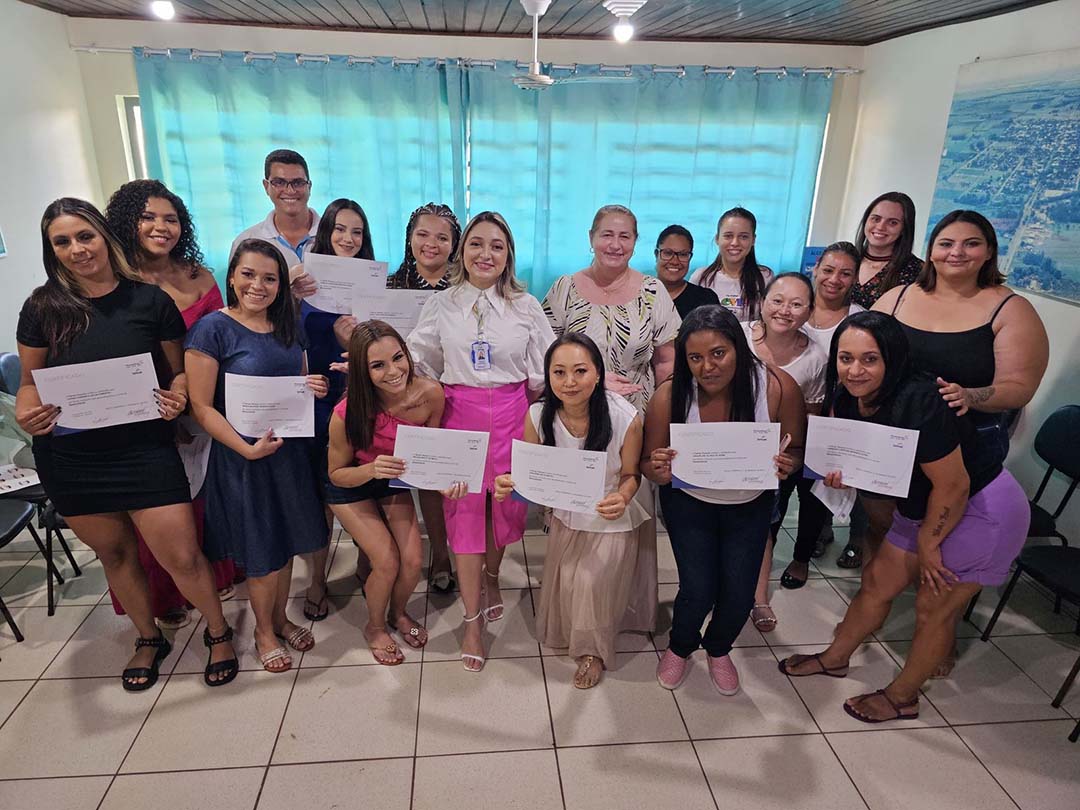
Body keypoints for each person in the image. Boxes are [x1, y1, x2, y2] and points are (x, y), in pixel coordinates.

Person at [15, 198, 237, 691]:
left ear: (105, 236)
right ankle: (148, 637)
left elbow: (178, 373)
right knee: (115, 557)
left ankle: (218, 631)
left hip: (144, 450)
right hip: (72, 457)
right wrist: (25, 412)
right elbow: (30, 383)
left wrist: (178, 396)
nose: (77, 249)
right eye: (62, 242)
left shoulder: (149, 301)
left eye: (85, 236)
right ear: (52, 250)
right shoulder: (42, 308)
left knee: (183, 556)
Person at [778, 312, 1031, 723]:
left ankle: (902, 697)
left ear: (892, 359)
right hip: (922, 506)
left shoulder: (920, 399)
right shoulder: (848, 396)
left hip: (980, 509)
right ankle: (835, 658)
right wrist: (846, 475)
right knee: (876, 584)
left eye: (870, 359)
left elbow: (954, 485)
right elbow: (878, 464)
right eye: (845, 358)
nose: (855, 370)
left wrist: (929, 544)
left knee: (933, 609)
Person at [873, 209, 1049, 676]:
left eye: (971, 243)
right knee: (891, 537)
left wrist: (971, 395)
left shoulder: (1009, 309)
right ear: (931, 249)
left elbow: (1020, 386)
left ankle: (939, 633)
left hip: (965, 451)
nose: (957, 253)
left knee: (943, 553)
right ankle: (885, 612)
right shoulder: (897, 297)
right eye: (946, 243)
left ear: (989, 252)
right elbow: (864, 355)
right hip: (897, 445)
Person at [408, 211, 555, 672]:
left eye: (496, 245)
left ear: (508, 255)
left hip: (513, 415)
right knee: (467, 516)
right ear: (462, 251)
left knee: (505, 512)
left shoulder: (525, 306)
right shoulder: (442, 304)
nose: (485, 254)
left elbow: (546, 370)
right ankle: (472, 621)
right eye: (476, 243)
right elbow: (418, 358)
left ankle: (492, 576)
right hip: (460, 416)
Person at [643, 305, 805, 695]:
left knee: (739, 591)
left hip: (749, 504)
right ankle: (680, 646)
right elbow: (648, 462)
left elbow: (798, 449)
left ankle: (718, 649)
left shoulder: (776, 387)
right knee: (697, 588)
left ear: (738, 348)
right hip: (690, 503)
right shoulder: (670, 394)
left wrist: (789, 464)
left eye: (719, 353)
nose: (708, 367)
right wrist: (659, 469)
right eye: (695, 357)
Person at [185, 239, 330, 674]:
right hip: (244, 458)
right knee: (263, 550)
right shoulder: (212, 329)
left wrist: (314, 387)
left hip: (288, 454)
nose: (258, 285)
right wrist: (245, 448)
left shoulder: (288, 325)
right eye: (248, 274)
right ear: (232, 276)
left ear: (281, 285)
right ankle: (263, 631)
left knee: (286, 544)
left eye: (270, 278)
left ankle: (280, 618)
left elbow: (298, 382)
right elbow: (202, 407)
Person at [543, 204, 682, 641]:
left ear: (636, 242)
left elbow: (666, 361)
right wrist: (593, 383)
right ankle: (578, 607)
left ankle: (624, 608)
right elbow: (548, 356)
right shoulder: (564, 288)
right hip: (576, 415)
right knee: (579, 509)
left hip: (636, 415)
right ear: (591, 237)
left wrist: (663, 416)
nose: (615, 244)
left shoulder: (653, 291)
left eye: (625, 236)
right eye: (607, 234)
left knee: (627, 505)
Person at [103, 179, 237, 629]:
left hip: (205, 401)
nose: (162, 227)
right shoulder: (114, 282)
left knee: (205, 493)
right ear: (127, 222)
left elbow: (225, 335)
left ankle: (214, 572)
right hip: (144, 409)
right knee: (158, 505)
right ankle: (165, 594)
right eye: (148, 217)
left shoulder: (200, 275)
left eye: (171, 219)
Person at [495, 333, 647, 689]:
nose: (569, 382)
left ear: (598, 373)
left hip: (609, 516)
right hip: (567, 515)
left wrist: (623, 497)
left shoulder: (625, 418)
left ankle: (593, 652)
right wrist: (509, 483)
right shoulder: (537, 415)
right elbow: (528, 472)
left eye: (580, 371)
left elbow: (631, 475)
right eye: (559, 372)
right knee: (569, 579)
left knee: (592, 583)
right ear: (548, 376)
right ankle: (579, 635)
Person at [327, 320, 454, 664]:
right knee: (386, 562)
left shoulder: (431, 394)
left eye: (398, 358)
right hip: (351, 480)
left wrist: (445, 483)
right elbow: (337, 474)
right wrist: (370, 469)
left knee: (412, 560)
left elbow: (430, 456)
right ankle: (374, 627)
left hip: (391, 480)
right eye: (378, 365)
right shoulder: (345, 412)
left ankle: (397, 613)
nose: (394, 371)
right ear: (362, 370)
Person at [285, 198, 377, 621]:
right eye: (340, 229)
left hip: (361, 398)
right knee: (319, 494)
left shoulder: (374, 282)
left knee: (363, 484)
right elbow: (284, 337)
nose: (348, 238)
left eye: (357, 232)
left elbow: (384, 346)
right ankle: (317, 578)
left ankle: (366, 562)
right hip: (316, 399)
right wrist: (290, 297)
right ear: (326, 232)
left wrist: (353, 343)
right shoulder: (303, 280)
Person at [743, 273, 829, 632]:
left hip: (773, 459)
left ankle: (759, 596)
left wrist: (793, 457)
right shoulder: (737, 336)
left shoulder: (815, 356)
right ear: (762, 302)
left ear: (809, 310)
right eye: (777, 300)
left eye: (796, 304)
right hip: (726, 450)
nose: (784, 310)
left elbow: (811, 415)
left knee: (763, 526)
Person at [386, 202, 463, 594]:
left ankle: (443, 554)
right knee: (397, 475)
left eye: (442, 237)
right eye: (423, 234)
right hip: (396, 395)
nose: (431, 244)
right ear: (409, 238)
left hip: (451, 394)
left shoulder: (466, 290)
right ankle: (390, 556)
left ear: (455, 244)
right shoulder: (388, 286)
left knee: (440, 478)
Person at [801, 241, 865, 564]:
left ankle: (855, 538)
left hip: (841, 413)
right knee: (807, 482)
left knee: (839, 478)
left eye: (845, 274)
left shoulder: (860, 318)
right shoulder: (796, 307)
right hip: (798, 412)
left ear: (855, 278)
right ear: (815, 269)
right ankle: (819, 532)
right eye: (828, 270)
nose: (834, 279)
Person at [229, 148, 319, 268]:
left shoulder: (337, 236)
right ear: (266, 186)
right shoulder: (247, 241)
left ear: (309, 186)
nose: (290, 191)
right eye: (279, 182)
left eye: (298, 183)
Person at [689, 207, 772, 322]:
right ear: (717, 239)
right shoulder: (700, 277)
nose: (735, 243)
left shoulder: (765, 277)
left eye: (743, 237)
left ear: (753, 240)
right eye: (728, 236)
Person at [850, 192, 922, 311]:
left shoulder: (917, 271)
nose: (880, 227)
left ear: (904, 229)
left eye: (893, 222)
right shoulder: (847, 258)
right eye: (876, 219)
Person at [653, 225, 719, 319]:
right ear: (656, 255)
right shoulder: (638, 294)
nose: (675, 261)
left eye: (683, 254)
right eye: (668, 253)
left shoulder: (706, 300)